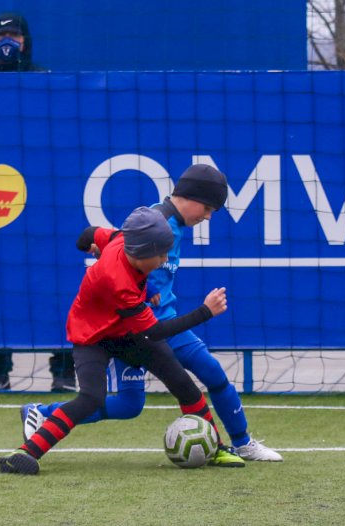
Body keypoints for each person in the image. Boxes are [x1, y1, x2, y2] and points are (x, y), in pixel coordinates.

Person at [20, 164, 283, 464]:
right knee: (130, 405)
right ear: (189, 196)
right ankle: (42, 413)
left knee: (211, 373)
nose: (208, 217)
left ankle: (241, 444)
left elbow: (109, 243)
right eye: (208, 208)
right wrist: (200, 311)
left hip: (160, 326)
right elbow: (122, 265)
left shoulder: (172, 225)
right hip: (135, 331)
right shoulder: (156, 224)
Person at [0, 207, 228, 474]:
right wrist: (205, 312)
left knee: (182, 383)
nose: (165, 259)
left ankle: (217, 446)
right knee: (90, 399)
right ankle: (25, 452)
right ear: (141, 253)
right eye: (162, 254)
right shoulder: (117, 280)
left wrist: (96, 249)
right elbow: (155, 332)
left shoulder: (121, 238)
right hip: (93, 337)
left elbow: (86, 236)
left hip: (125, 332)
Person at [0, 12, 72, 391]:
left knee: (59, 284)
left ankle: (65, 371)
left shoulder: (47, 83)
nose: (6, 42)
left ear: (26, 42)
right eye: (0, 36)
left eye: (13, 35)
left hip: (48, 202)